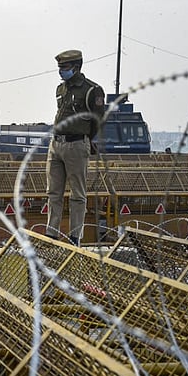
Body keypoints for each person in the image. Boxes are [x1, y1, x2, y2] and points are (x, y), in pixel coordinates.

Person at [45, 49, 106, 246]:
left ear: (77, 67)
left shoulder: (91, 90)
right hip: (56, 144)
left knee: (77, 195)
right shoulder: (60, 89)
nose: (61, 71)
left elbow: (98, 119)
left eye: (65, 67)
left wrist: (87, 140)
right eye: (60, 67)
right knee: (53, 192)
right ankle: (51, 232)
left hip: (76, 144)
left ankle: (74, 237)